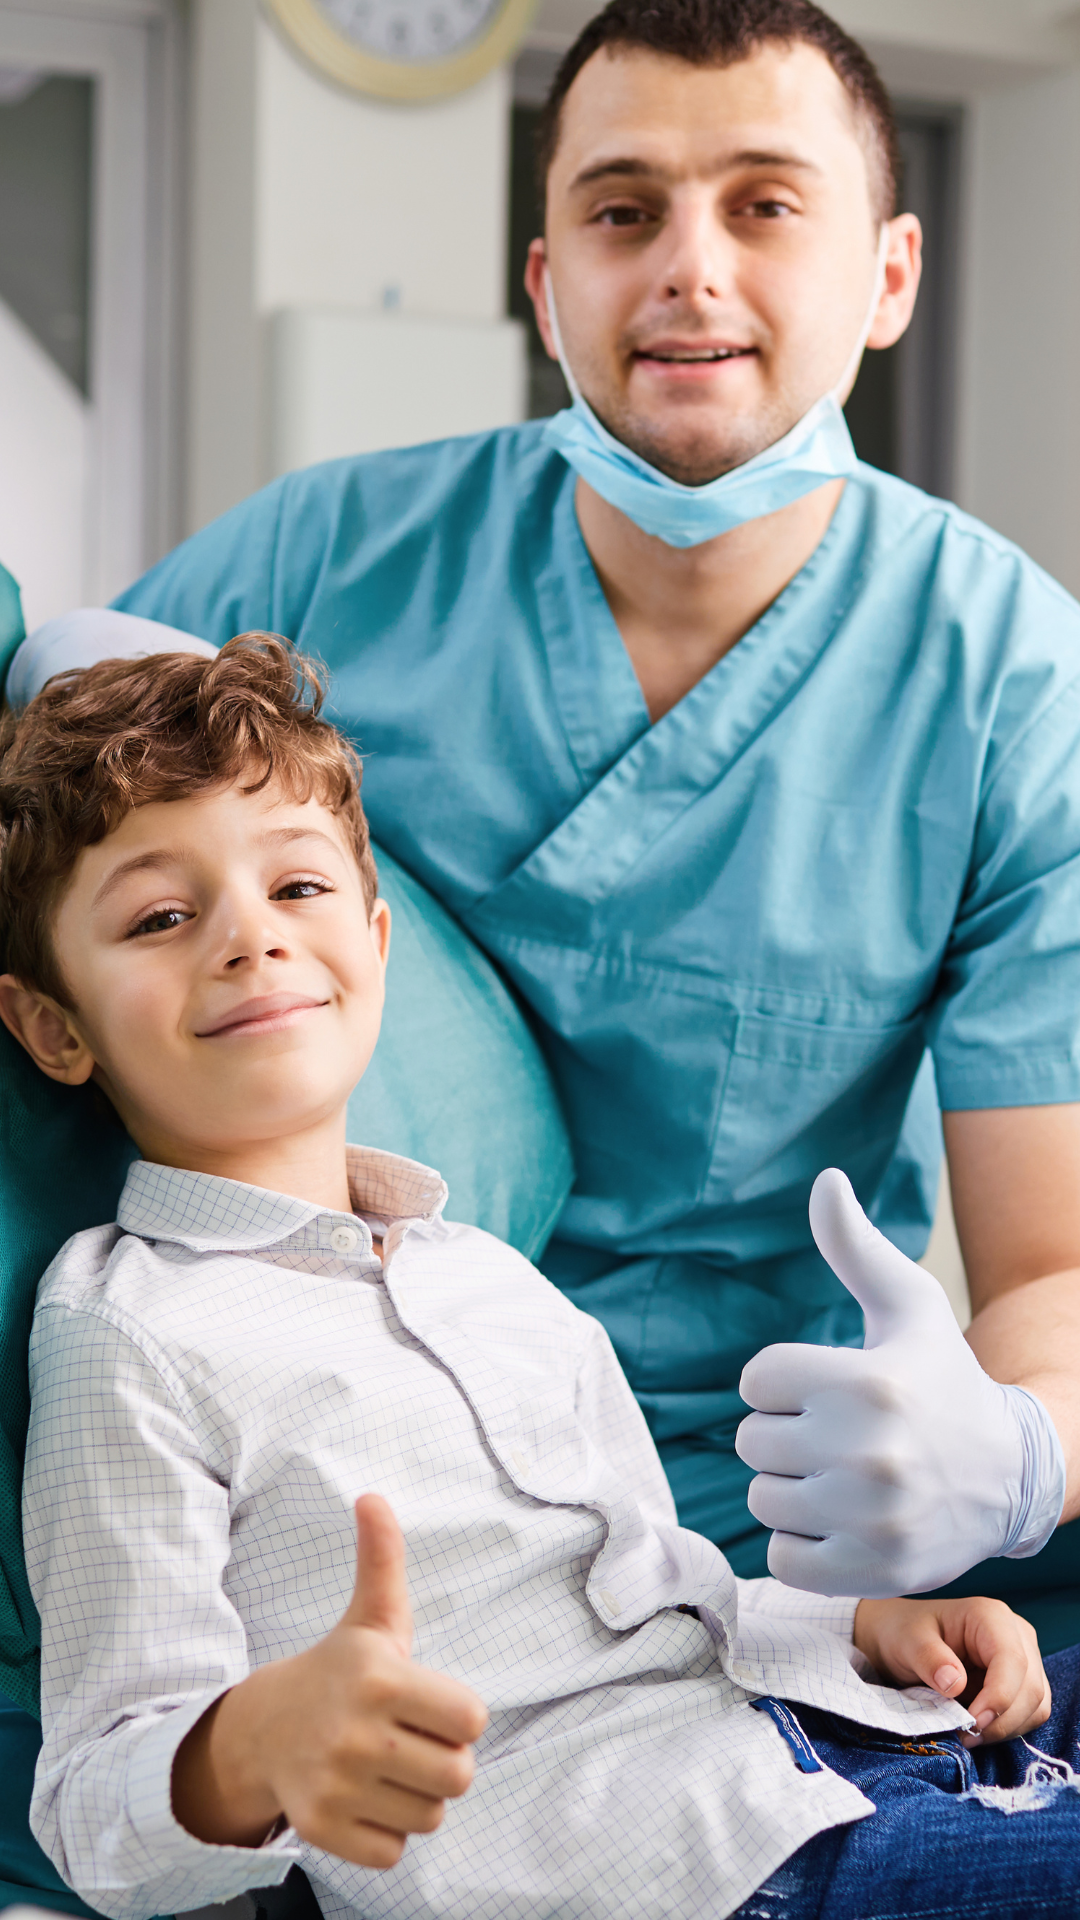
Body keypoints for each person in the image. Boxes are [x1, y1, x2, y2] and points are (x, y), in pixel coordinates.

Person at [26, 0, 1080, 1616]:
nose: (690, 268)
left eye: (767, 204)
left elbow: (1054, 1270)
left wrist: (1004, 1451)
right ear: (545, 281)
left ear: (890, 277)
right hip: (350, 1483)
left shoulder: (1008, 678)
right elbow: (65, 881)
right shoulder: (322, 563)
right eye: (621, 209)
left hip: (772, 1504)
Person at [6, 635, 1080, 1920]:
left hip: (823, 1748)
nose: (250, 939)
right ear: (53, 1027)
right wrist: (254, 1745)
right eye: (162, 916)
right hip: (690, 1868)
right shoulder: (127, 1329)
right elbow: (92, 1804)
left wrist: (860, 1631)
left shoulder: (491, 1278)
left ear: (377, 939)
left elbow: (659, 1600)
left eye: (297, 887)